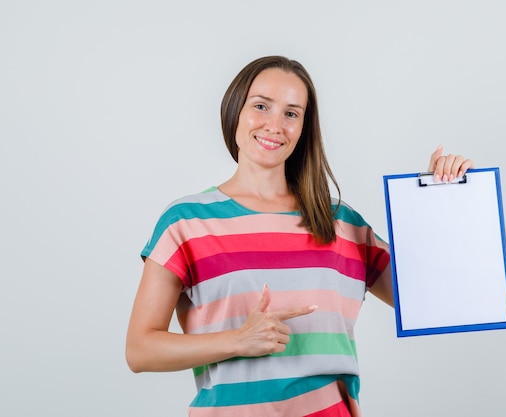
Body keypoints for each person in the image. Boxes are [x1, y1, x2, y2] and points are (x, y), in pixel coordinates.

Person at [126, 55, 473, 417]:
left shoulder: (340, 223)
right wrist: (236, 340)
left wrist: (443, 199)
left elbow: (434, 302)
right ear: (235, 111)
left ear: (305, 127)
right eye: (261, 106)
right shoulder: (186, 223)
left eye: (292, 113)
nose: (275, 125)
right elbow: (140, 350)